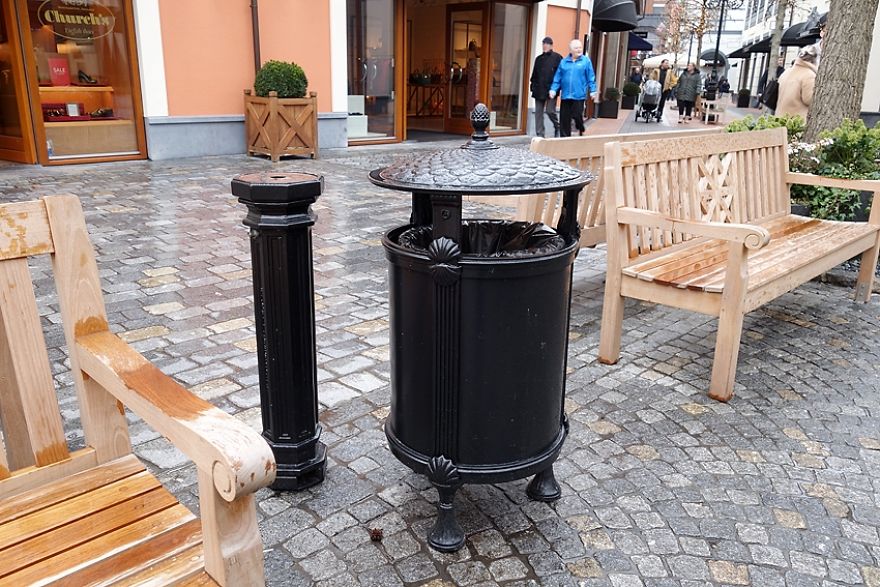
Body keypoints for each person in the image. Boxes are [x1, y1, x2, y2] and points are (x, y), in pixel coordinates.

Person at [549, 39, 598, 137]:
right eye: (576, 48)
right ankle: (564, 139)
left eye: (580, 47)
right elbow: (557, 77)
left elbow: (591, 77)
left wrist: (593, 90)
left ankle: (580, 126)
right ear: (571, 50)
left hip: (578, 95)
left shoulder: (585, 61)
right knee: (564, 119)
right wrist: (553, 89)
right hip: (566, 95)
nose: (579, 49)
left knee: (576, 115)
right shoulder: (564, 62)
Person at [530, 36, 562, 138]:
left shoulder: (557, 58)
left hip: (552, 90)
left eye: (547, 44)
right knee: (538, 113)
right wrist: (533, 86)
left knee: (550, 110)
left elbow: (561, 75)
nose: (544, 46)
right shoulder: (538, 59)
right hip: (539, 89)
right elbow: (534, 75)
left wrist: (557, 89)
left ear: (551, 45)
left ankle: (557, 126)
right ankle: (540, 135)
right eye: (543, 44)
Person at [775, 44, 818, 119]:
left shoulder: (786, 72)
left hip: (780, 115)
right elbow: (808, 99)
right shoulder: (809, 75)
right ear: (813, 60)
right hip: (796, 119)